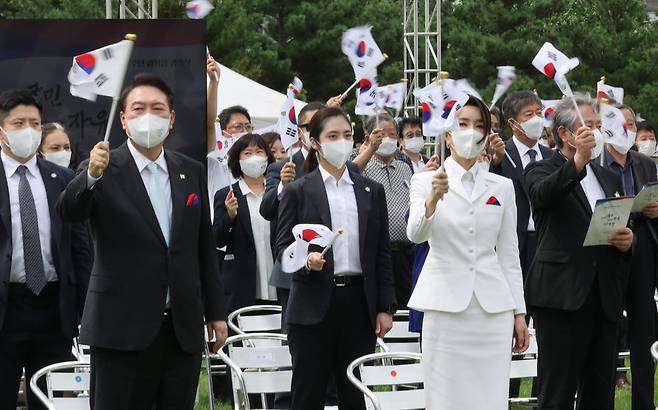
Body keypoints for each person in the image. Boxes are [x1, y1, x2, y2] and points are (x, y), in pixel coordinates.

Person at [57, 73, 228, 410]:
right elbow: (70, 211)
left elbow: (202, 247)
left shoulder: (189, 170)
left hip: (181, 327)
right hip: (120, 327)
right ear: (123, 119)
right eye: (138, 108)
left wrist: (216, 312)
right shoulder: (102, 168)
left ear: (172, 118)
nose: (148, 115)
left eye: (157, 108)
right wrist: (91, 174)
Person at [407, 95, 528, 410]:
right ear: (448, 135)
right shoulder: (423, 182)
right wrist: (432, 199)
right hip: (444, 306)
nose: (470, 132)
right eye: (463, 124)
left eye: (479, 126)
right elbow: (416, 234)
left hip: (493, 310)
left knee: (491, 398)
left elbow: (508, 254)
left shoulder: (501, 187)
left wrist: (518, 312)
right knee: (445, 399)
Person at [276, 106, 396, 410]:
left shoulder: (371, 190)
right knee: (308, 393)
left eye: (346, 135)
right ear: (315, 141)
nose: (341, 142)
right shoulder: (298, 191)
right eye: (332, 135)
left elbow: (381, 251)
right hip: (312, 305)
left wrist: (385, 306)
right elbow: (282, 250)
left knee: (353, 393)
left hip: (358, 304)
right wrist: (307, 262)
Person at [524, 94, 634, 410]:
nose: (597, 132)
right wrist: (578, 161)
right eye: (589, 126)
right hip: (562, 298)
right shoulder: (541, 170)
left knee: (600, 394)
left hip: (604, 298)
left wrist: (628, 242)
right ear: (564, 133)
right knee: (557, 391)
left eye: (599, 126)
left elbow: (619, 222)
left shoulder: (608, 175)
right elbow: (544, 196)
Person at [0, 89, 92, 409]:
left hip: (54, 309)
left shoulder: (61, 178)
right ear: (2, 131)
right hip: (6, 308)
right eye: (19, 123)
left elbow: (80, 249)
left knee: (52, 400)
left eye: (35, 123)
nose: (28, 129)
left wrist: (85, 310)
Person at [601, 119, 658, 410]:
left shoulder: (645, 163)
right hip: (607, 251)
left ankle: (644, 403)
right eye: (618, 123)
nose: (626, 130)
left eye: (630, 124)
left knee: (644, 334)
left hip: (643, 252)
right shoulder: (595, 162)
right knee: (608, 332)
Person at [495, 91, 554, 282]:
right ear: (513, 123)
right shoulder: (501, 155)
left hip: (548, 244)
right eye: (529, 115)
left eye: (539, 113)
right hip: (514, 245)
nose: (536, 119)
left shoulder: (552, 156)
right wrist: (495, 161)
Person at [214, 134, 276, 313]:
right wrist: (230, 216)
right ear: (237, 160)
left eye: (259, 151)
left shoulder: (277, 191)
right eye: (247, 153)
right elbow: (217, 239)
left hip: (277, 285)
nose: (254, 157)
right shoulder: (227, 194)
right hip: (243, 287)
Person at [360, 113, 415, 308]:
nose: (388, 139)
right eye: (382, 134)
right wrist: (369, 149)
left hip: (407, 254)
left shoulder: (405, 166)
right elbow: (349, 172)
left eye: (393, 133)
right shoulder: (362, 167)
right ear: (368, 137)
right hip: (379, 254)